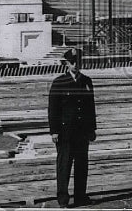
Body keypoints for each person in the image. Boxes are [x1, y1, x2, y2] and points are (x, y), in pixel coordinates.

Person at [48, 48, 97, 208]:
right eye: (73, 62)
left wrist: (92, 129)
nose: (76, 65)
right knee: (64, 166)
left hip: (82, 132)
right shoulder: (59, 82)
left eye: (79, 62)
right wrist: (54, 130)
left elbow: (91, 107)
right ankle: (63, 199)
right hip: (65, 132)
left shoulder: (86, 81)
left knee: (82, 165)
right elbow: (53, 109)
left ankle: (80, 197)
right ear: (67, 63)